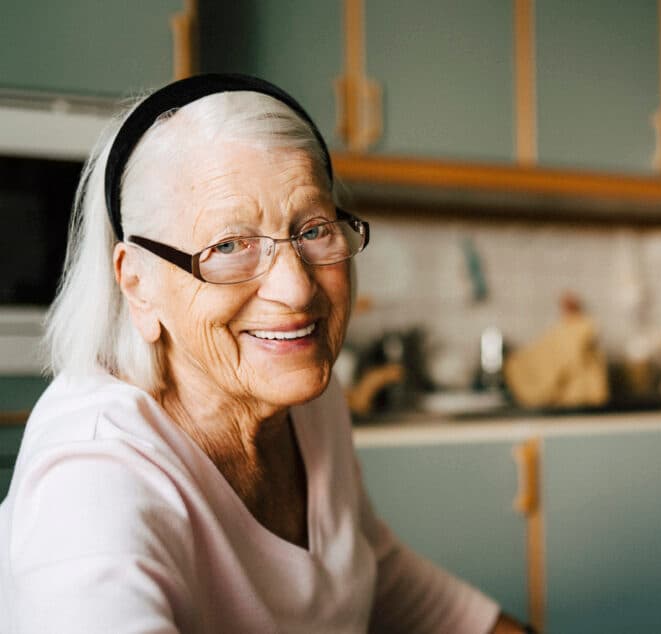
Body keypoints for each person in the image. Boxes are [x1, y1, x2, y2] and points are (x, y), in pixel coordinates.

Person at [0, 74, 533, 633]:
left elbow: (374, 573)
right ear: (137, 283)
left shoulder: (302, 394)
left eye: (314, 229)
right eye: (229, 246)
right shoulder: (92, 479)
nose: (297, 290)